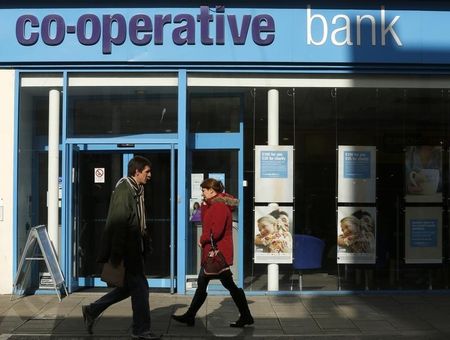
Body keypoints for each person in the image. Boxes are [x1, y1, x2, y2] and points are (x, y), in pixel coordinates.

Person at [81, 156, 160, 340]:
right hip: (128, 251)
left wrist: (145, 242)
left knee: (129, 288)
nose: (150, 175)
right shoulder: (124, 190)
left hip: (135, 249)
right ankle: (141, 330)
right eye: (147, 172)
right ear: (137, 172)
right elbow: (118, 223)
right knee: (140, 289)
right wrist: (117, 254)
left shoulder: (136, 189)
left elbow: (137, 221)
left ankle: (92, 310)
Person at [171, 178, 254, 328]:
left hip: (217, 253)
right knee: (214, 284)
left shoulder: (219, 206)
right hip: (214, 253)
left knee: (210, 283)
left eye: (203, 190)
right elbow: (208, 223)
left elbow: (216, 231)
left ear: (211, 191)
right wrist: (204, 206)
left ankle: (191, 315)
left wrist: (202, 240)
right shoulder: (213, 204)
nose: (202, 193)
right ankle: (245, 316)